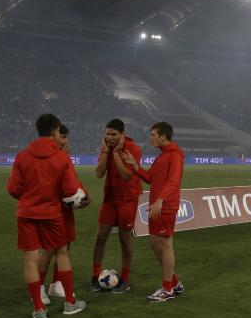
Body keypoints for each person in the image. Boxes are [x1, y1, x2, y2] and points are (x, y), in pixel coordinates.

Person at [6, 113, 88, 318]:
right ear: (55, 131)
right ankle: (70, 303)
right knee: (62, 252)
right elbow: (70, 191)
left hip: (26, 213)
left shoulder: (22, 156)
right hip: (52, 213)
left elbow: (13, 189)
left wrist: (28, 196)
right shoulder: (62, 157)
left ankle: (39, 309)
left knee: (29, 259)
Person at [120, 121, 185, 302]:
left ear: (163, 136)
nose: (151, 138)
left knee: (164, 244)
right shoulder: (161, 156)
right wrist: (134, 165)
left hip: (165, 206)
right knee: (155, 244)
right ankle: (175, 283)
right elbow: (149, 177)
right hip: (157, 206)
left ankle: (167, 290)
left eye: (154, 135)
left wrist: (161, 199)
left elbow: (174, 181)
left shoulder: (175, 156)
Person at [91, 119, 143, 293]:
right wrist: (106, 151)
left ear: (122, 135)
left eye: (114, 135)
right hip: (110, 198)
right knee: (100, 236)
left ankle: (125, 279)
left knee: (124, 238)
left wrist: (116, 154)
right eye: (107, 134)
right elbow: (99, 174)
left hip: (128, 198)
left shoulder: (133, 148)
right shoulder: (106, 147)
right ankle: (94, 276)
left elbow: (126, 176)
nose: (110, 137)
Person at [43, 124, 90, 302]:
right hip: (51, 209)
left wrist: (84, 195)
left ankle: (56, 285)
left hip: (64, 209)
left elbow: (72, 179)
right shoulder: (47, 156)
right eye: (63, 137)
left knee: (65, 245)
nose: (66, 141)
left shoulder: (64, 156)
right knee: (49, 249)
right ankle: (39, 288)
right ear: (53, 136)